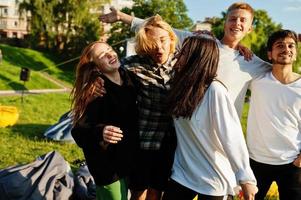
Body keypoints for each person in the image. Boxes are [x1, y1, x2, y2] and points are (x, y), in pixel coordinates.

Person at [100, 2, 270, 117]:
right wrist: (122, 17)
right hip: (190, 122)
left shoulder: (251, 62)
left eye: (243, 20)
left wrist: (292, 43)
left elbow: (281, 73)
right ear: (225, 23)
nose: (237, 23)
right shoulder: (201, 43)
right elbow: (161, 30)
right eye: (232, 19)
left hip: (223, 129)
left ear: (249, 28)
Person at [163, 34, 258, 200]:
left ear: (197, 58)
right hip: (182, 173)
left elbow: (231, 136)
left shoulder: (215, 90)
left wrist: (246, 179)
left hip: (213, 179)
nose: (178, 54)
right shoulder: (179, 85)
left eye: (184, 52)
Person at [70, 41, 138, 200]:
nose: (109, 54)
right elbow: (79, 131)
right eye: (102, 55)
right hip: (106, 165)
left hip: (130, 158)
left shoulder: (130, 78)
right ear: (95, 65)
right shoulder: (96, 90)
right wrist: (101, 131)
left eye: (110, 49)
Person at [246, 30, 301, 200]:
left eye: (291, 45)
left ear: (296, 53)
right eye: (280, 45)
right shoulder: (256, 81)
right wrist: (240, 46)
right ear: (270, 54)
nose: (286, 49)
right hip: (255, 161)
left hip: (292, 163)